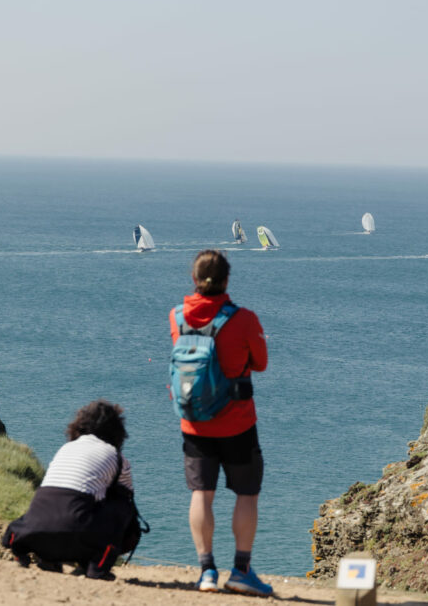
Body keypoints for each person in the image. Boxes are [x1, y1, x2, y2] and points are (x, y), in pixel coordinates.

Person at [170, 249, 271, 596]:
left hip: (194, 423)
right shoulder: (244, 319)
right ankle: (241, 571)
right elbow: (260, 363)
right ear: (227, 279)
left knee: (202, 493)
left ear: (195, 280)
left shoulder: (176, 316)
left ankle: (206, 571)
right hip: (238, 422)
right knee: (247, 493)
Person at [2, 400, 137, 580]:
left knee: (59, 503)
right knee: (122, 506)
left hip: (36, 533)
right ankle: (97, 567)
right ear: (117, 431)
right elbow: (127, 498)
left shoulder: (66, 448)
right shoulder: (116, 457)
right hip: (77, 533)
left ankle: (47, 557)